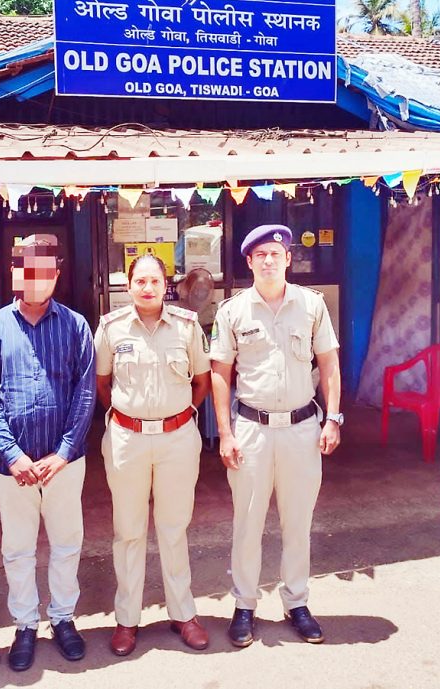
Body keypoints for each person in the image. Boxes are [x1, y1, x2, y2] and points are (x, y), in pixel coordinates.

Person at [209, 224, 343, 648]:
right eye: (260, 254)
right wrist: (225, 433)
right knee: (247, 522)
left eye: (276, 254)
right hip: (251, 431)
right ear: (249, 262)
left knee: (298, 522)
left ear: (288, 259)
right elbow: (220, 374)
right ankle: (244, 605)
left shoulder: (311, 305)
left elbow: (328, 363)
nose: (268, 260)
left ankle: (296, 603)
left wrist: (333, 418)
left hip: (301, 429)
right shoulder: (233, 311)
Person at [0, 234, 96, 672]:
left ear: (56, 275)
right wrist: (11, 454)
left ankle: (62, 618)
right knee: (18, 547)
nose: (36, 278)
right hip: (15, 467)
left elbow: (85, 393)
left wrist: (63, 452)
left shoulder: (76, 326)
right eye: (27, 270)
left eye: (45, 271)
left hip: (65, 462)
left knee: (66, 542)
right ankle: (25, 624)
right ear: (15, 273)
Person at [95, 255, 212, 657]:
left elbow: (201, 381)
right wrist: (131, 418)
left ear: (167, 285)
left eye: (155, 281)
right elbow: (102, 383)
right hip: (127, 439)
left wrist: (180, 415)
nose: (147, 288)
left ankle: (183, 614)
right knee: (128, 531)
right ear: (128, 286)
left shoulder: (187, 326)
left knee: (173, 527)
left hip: (177, 438)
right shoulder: (110, 327)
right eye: (140, 281)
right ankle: (127, 620)